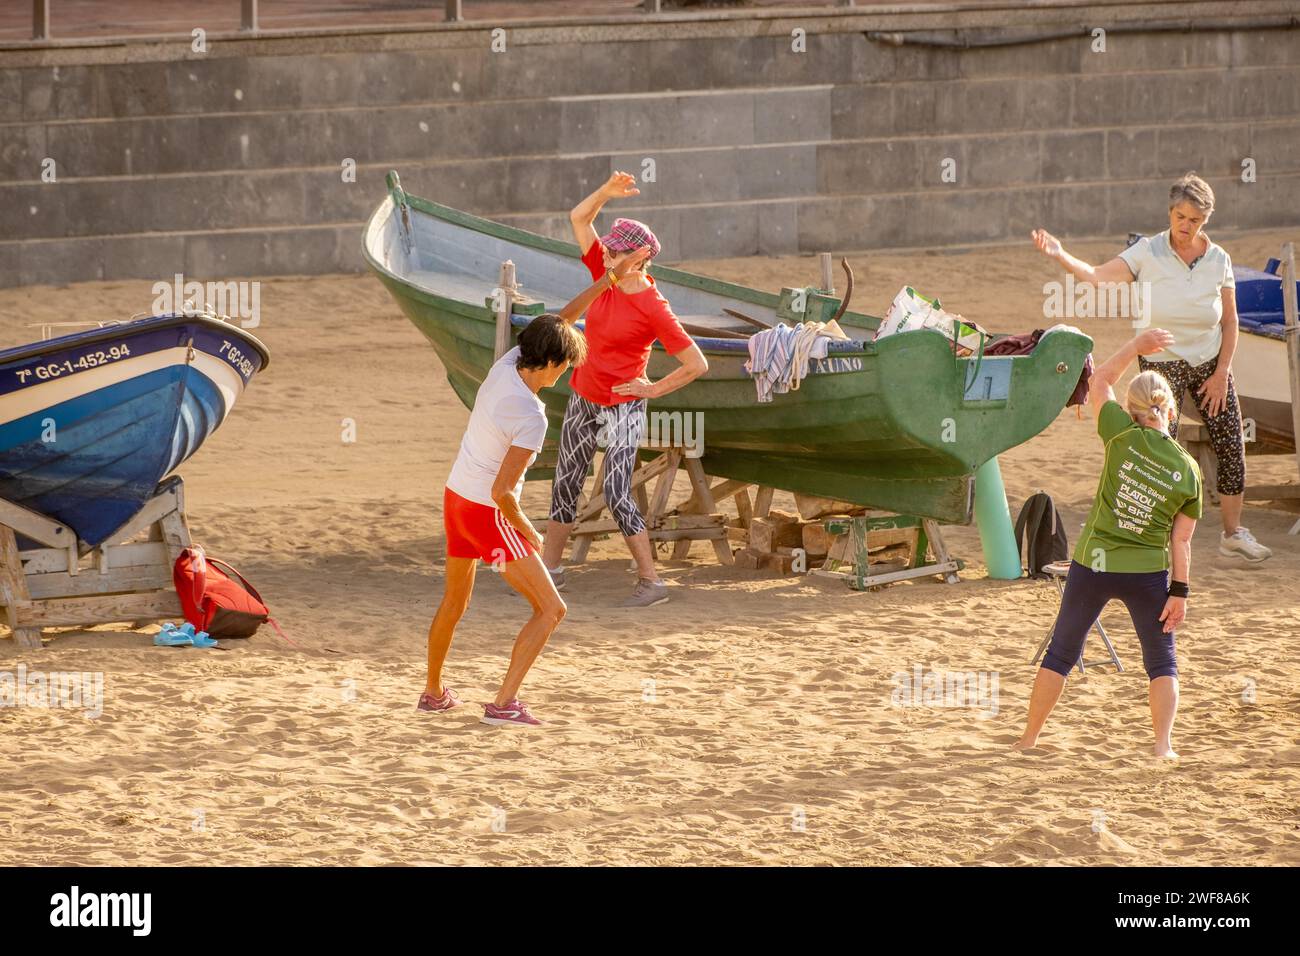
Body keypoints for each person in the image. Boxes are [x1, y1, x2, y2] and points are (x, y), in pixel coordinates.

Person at [419, 249, 650, 726]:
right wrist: (530, 532)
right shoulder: (531, 416)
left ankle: (434, 691)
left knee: (455, 601)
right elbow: (505, 491)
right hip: (489, 513)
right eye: (563, 366)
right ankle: (503, 704)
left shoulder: (506, 363)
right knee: (551, 609)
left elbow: (561, 320)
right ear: (547, 364)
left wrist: (608, 279)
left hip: (457, 498)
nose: (564, 374)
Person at [1031, 171, 1269, 562]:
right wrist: (1060, 253)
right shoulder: (1148, 251)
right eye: (1179, 216)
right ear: (1170, 212)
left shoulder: (1218, 259)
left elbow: (1230, 320)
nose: (1185, 226)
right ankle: (1162, 537)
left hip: (1209, 361)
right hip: (1162, 362)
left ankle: (1233, 533)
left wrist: (1222, 370)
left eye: (1194, 220)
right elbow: (1096, 277)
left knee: (1230, 444)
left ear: (1205, 221)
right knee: (1159, 451)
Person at [1014, 329, 1200, 759]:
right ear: (1170, 411)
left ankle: (1028, 739)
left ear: (1132, 412)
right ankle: (1162, 746)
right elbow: (1182, 540)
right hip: (1147, 574)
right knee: (1161, 661)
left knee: (1061, 652)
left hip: (1092, 565)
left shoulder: (1120, 435)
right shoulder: (1188, 468)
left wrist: (1134, 346)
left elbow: (1100, 382)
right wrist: (1180, 592)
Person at [542, 171, 709, 607]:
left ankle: (651, 580)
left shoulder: (654, 305)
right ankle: (550, 571)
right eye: (609, 246)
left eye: (616, 247)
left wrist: (651, 390)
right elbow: (579, 218)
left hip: (623, 405)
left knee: (616, 491)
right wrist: (605, 193)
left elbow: (696, 363)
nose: (607, 249)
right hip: (585, 393)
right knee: (566, 481)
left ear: (636, 256)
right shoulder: (604, 271)